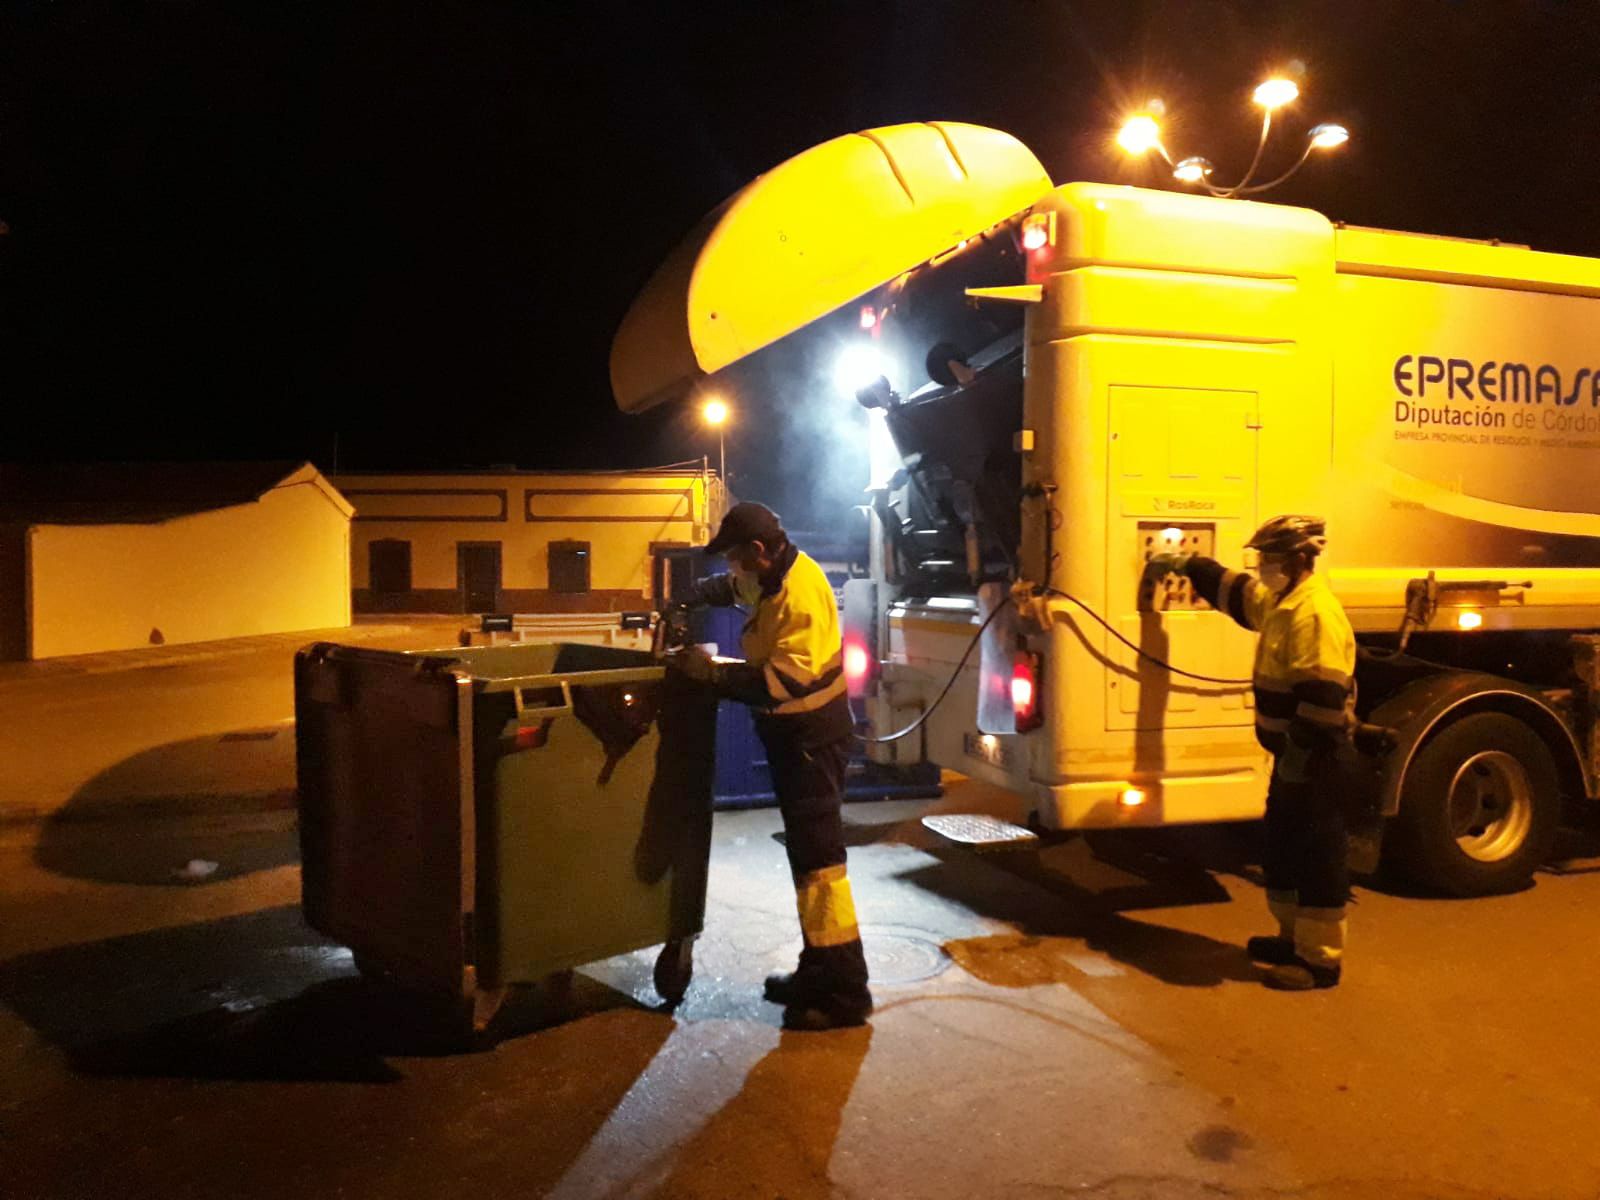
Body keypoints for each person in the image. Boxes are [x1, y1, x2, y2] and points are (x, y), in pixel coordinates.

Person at [667, 502, 873, 1029]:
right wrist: (689, 598)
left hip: (811, 742)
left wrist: (710, 673)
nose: (733, 569)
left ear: (758, 551)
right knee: (808, 866)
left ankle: (847, 994)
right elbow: (736, 590)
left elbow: (780, 682)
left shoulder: (798, 596)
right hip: (796, 739)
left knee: (822, 869)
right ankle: (816, 970)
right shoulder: (774, 574)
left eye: (736, 558)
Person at [1149, 515, 1357, 990]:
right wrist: (1191, 565)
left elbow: (1322, 699)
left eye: (1272, 559)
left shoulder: (1315, 614)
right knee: (1282, 850)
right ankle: (1291, 940)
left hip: (1316, 758)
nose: (1264, 567)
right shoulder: (1284, 603)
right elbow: (1241, 597)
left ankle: (1320, 961)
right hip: (1292, 757)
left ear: (1301, 560)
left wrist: (1300, 757)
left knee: (1318, 856)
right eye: (1263, 559)